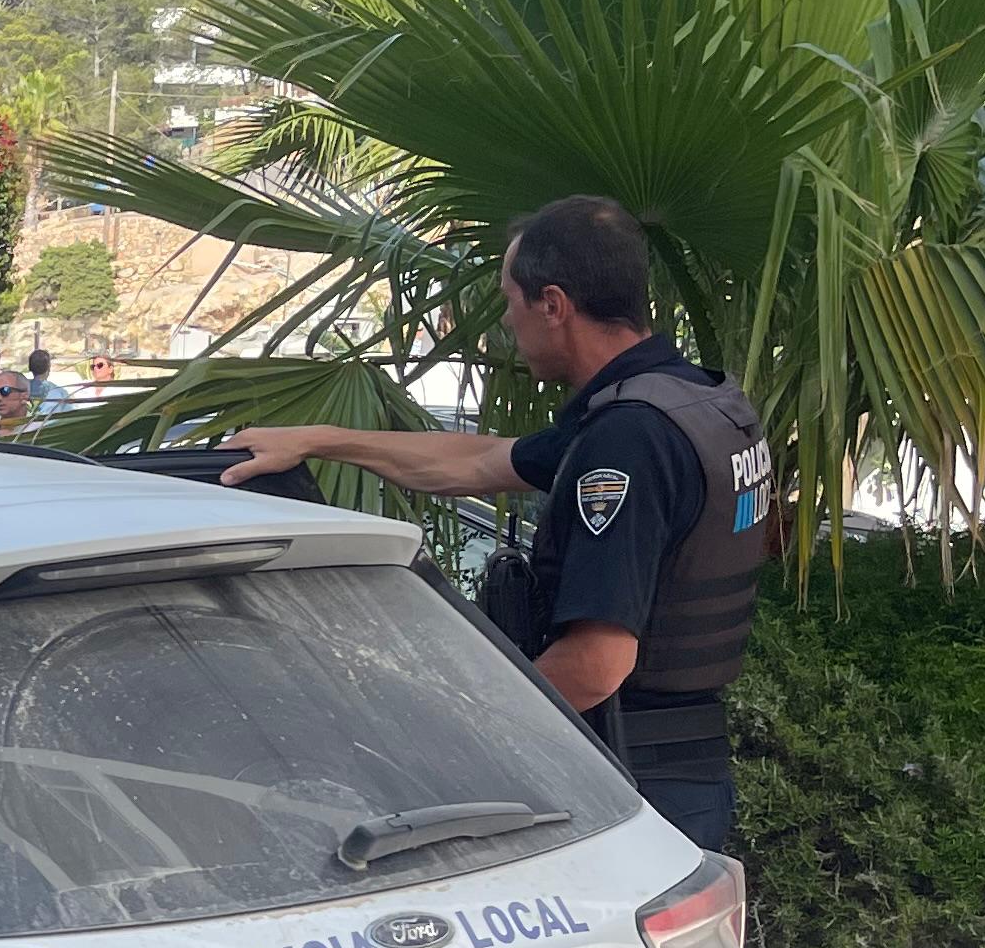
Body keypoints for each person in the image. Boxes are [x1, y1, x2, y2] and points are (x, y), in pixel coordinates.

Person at [217, 194, 771, 853]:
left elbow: (596, 664)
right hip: (686, 769)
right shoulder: (689, 399)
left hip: (627, 780)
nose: (507, 321)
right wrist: (321, 440)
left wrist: (462, 726)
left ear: (554, 305)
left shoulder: (629, 440)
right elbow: (479, 462)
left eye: (511, 300)